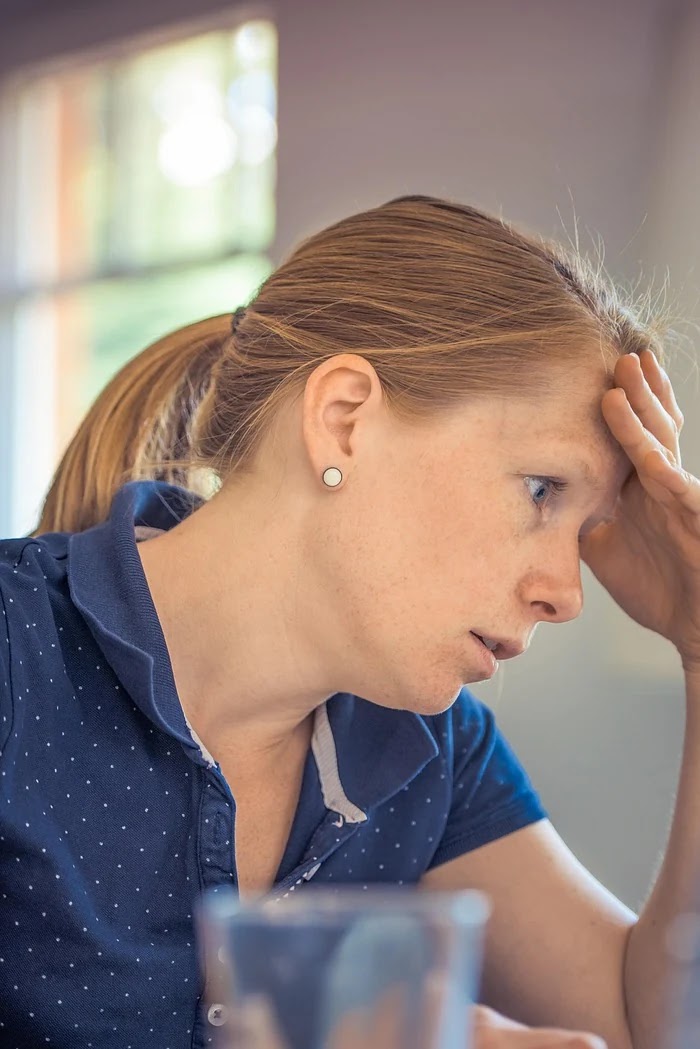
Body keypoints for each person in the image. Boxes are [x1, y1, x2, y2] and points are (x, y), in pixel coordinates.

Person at [1, 194, 698, 1049]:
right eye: (540, 490)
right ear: (344, 420)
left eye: (584, 534)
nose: (567, 592)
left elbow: (652, 1028)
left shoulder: (429, 751)